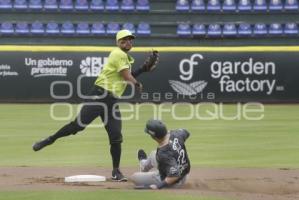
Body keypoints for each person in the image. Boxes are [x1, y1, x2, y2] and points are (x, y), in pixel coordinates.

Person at [32, 29, 159, 182]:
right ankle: (49, 139)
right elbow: (127, 76)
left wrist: (143, 70)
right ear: (117, 42)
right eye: (124, 40)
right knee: (77, 127)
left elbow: (125, 76)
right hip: (99, 95)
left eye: (130, 40)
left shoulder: (125, 58)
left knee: (116, 137)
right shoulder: (117, 53)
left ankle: (116, 171)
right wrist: (137, 83)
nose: (128, 42)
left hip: (111, 101)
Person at [131, 119, 191, 189]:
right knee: (154, 154)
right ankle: (143, 165)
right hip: (184, 174)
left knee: (134, 177)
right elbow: (186, 132)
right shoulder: (176, 134)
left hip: (173, 182)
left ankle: (151, 173)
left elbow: (175, 176)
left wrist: (157, 186)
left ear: (153, 136)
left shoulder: (163, 153)